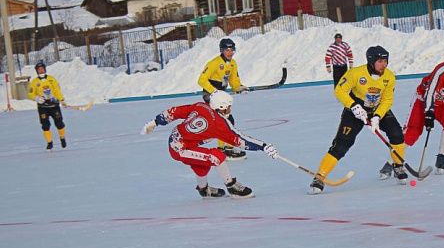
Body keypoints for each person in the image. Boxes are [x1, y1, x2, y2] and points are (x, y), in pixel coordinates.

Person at [141, 90, 278, 198]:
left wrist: (155, 122)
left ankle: (204, 190)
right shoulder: (219, 124)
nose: (229, 110)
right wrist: (263, 146)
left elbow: (175, 112)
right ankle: (231, 186)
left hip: (177, 138)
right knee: (216, 156)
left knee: (201, 164)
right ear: (221, 107)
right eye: (228, 108)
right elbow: (240, 140)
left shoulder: (201, 106)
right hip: (180, 148)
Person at [310, 46, 406, 195]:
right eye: (380, 61)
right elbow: (340, 90)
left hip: (377, 108)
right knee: (342, 144)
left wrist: (377, 116)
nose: (384, 65)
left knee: (396, 133)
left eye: (386, 61)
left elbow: (387, 99)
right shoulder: (355, 73)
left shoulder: (389, 77)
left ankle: (398, 165)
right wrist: (353, 106)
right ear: (371, 61)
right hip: (355, 110)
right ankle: (319, 177)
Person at [380, 49, 444, 177]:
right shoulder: (441, 71)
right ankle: (390, 163)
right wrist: (429, 112)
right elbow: (430, 92)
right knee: (412, 132)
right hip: (422, 101)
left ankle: (442, 158)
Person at [198, 37, 249, 160]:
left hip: (221, 95)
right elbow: (201, 80)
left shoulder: (233, 63)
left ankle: (226, 147)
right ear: (222, 50)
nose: (230, 52)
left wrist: (239, 88)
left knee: (227, 121)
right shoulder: (214, 63)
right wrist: (214, 92)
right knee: (225, 120)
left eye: (232, 49)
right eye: (227, 50)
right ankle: (222, 149)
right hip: (211, 94)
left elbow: (234, 81)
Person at [27, 61, 67, 150]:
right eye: (39, 69)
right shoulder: (34, 82)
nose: (41, 71)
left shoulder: (52, 79)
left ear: (45, 69)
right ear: (37, 71)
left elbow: (57, 90)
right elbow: (30, 94)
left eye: (42, 69)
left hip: (54, 106)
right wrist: (36, 98)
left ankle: (62, 138)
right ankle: (49, 142)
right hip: (43, 107)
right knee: (45, 125)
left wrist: (61, 99)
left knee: (59, 123)